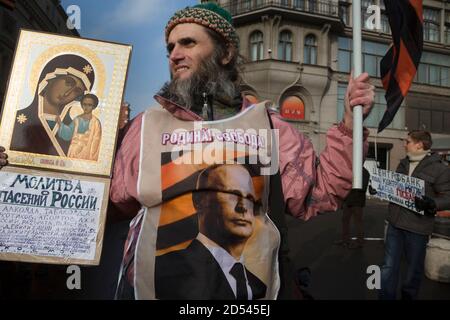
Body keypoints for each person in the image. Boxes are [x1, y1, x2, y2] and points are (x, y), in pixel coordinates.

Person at [1, 2, 375, 300]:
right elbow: (103, 203)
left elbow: (321, 191)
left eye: (188, 43)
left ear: (226, 52)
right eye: (170, 47)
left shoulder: (270, 126)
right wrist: (17, 171)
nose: (174, 54)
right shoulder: (146, 126)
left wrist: (347, 127)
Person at [155, 164, 267, 300]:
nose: (243, 207)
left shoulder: (259, 287)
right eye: (232, 195)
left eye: (249, 198)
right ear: (199, 202)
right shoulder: (163, 270)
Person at [380, 131, 450, 300]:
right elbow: (395, 188)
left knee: (413, 272)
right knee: (388, 267)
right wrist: (381, 190)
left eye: (408, 141)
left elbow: (447, 197)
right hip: (395, 224)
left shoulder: (440, 169)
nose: (404, 144)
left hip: (418, 228)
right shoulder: (402, 163)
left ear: (420, 144)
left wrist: (432, 203)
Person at [10, 54, 95, 157]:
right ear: (51, 77)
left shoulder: (75, 130)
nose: (67, 93)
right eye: (68, 82)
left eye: (77, 91)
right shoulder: (13, 119)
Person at [57, 93, 102, 161]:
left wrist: (92, 158)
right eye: (84, 104)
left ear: (94, 106)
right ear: (81, 105)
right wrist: (60, 124)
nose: (86, 107)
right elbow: (69, 133)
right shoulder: (77, 119)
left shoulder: (96, 122)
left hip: (87, 152)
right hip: (73, 150)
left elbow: (96, 141)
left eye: (89, 105)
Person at [336, 167, 370, 249]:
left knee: (358, 222)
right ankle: (345, 240)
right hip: (348, 200)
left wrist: (352, 182)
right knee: (345, 220)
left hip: (357, 201)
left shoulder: (365, 172)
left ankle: (360, 242)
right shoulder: (350, 170)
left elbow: (363, 187)